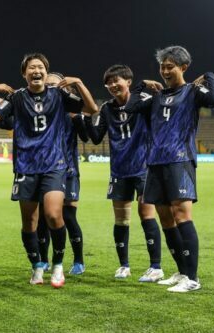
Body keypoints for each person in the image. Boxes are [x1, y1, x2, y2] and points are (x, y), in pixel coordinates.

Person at [0, 53, 97, 288]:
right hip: (26, 166)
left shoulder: (58, 95)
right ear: (24, 74)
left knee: (55, 215)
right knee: (30, 223)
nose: (36, 71)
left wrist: (78, 83)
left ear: (46, 73)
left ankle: (57, 265)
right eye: (31, 68)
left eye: (40, 68)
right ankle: (36, 265)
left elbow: (91, 107)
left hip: (54, 165)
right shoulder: (17, 98)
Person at [129, 46, 214, 292]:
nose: (165, 71)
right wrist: (140, 86)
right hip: (155, 162)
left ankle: (192, 279)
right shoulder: (156, 96)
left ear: (183, 67)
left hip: (180, 160)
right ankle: (181, 272)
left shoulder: (192, 92)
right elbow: (129, 108)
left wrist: (209, 76)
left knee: (181, 216)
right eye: (162, 67)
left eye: (170, 66)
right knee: (166, 219)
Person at [83, 65, 164, 282]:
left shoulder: (142, 101)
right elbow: (96, 137)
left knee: (146, 215)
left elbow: (157, 98)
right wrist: (82, 117)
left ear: (129, 81)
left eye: (116, 81)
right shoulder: (107, 109)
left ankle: (156, 267)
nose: (111, 86)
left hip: (143, 168)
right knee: (121, 220)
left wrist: (144, 85)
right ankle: (124, 266)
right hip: (119, 170)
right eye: (108, 83)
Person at [36, 72, 88, 275]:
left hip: (69, 171)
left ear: (66, 89)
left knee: (68, 216)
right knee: (43, 218)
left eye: (57, 86)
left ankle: (78, 261)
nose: (52, 88)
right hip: (45, 170)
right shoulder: (40, 112)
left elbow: (85, 137)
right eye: (49, 85)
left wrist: (78, 119)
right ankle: (43, 260)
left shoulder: (72, 112)